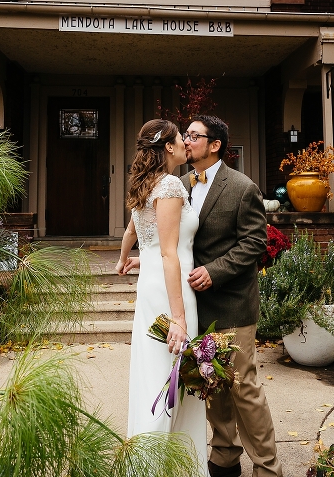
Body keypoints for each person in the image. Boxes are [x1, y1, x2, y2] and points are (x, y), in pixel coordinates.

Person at [181, 115, 282, 477]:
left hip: (233, 305)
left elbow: (255, 242)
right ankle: (224, 453)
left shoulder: (242, 187)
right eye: (186, 134)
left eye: (194, 135)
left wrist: (215, 270)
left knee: (243, 388)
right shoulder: (181, 184)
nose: (186, 140)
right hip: (196, 305)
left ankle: (268, 467)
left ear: (215, 145)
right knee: (212, 384)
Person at [115, 119, 209, 475]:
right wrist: (179, 317)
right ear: (168, 147)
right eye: (179, 138)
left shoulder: (149, 183)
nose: (186, 142)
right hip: (172, 292)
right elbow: (170, 253)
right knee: (172, 379)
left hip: (153, 284)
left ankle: (152, 461)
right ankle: (163, 466)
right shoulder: (169, 184)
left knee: (158, 376)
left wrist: (128, 258)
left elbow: (135, 229)